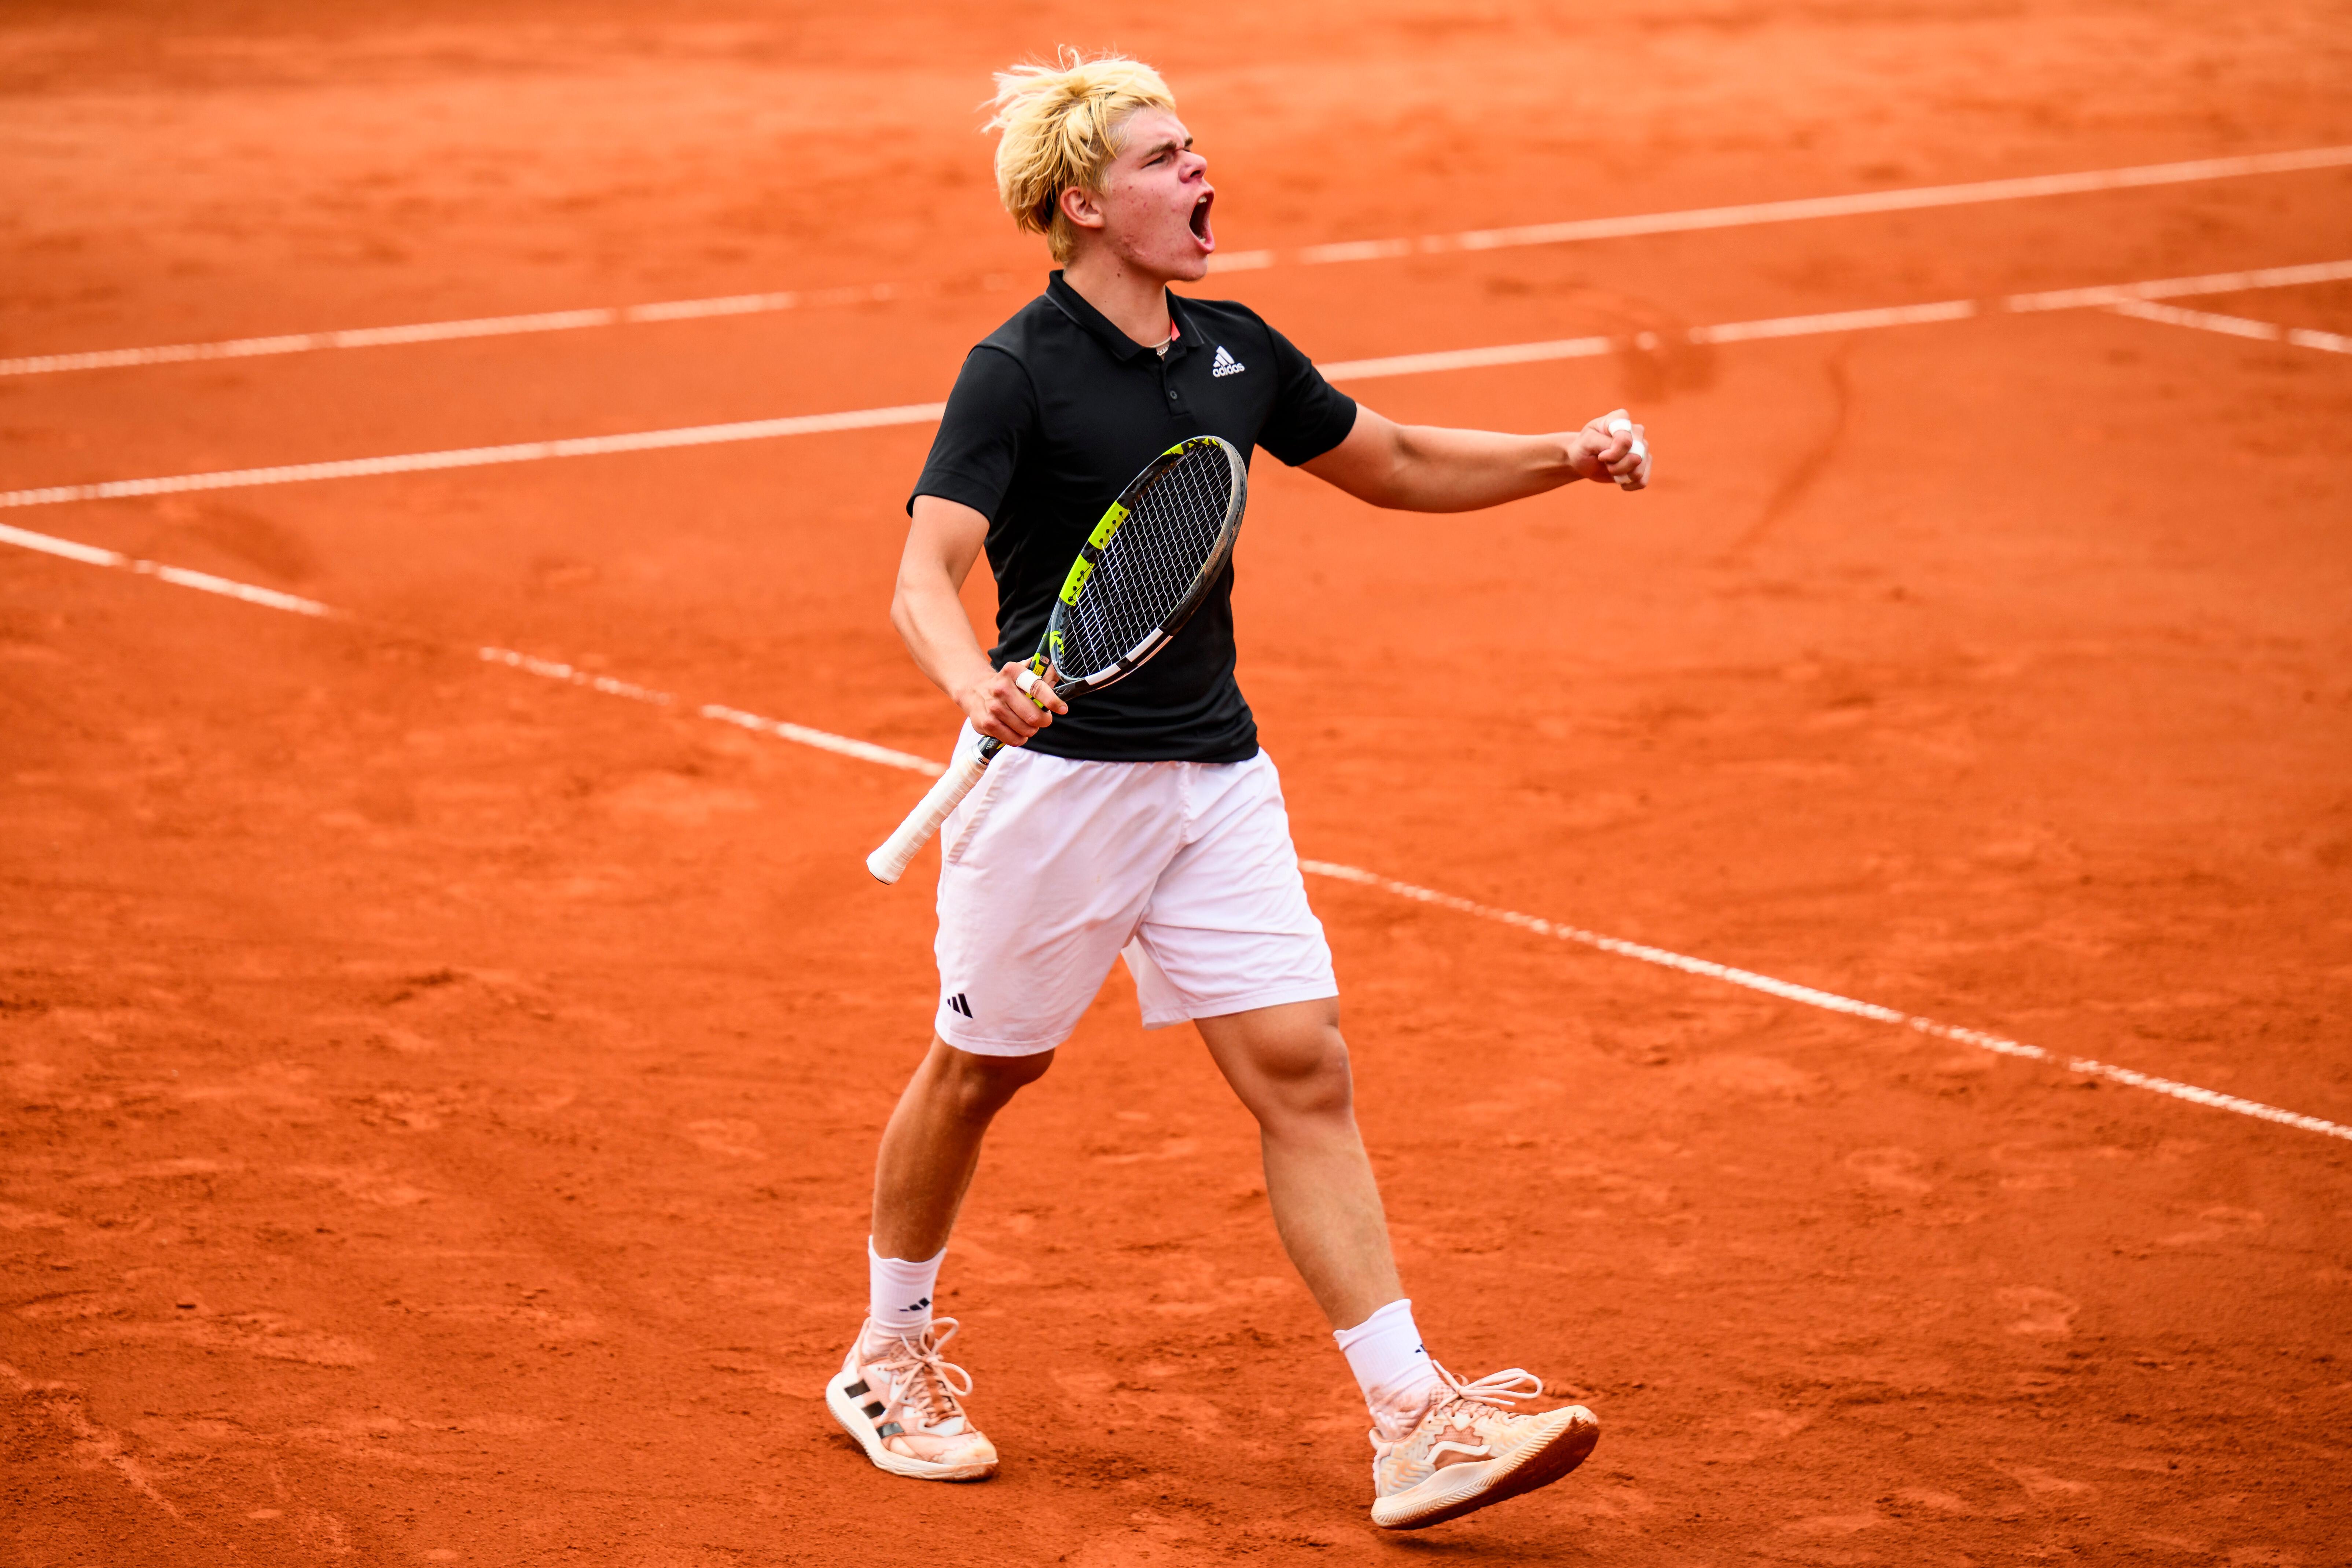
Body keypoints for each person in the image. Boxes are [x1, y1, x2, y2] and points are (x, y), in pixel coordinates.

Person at [825, 51, 1650, 1531]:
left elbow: (1389, 461)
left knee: (1300, 1064)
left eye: (1194, 146)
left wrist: (1564, 454)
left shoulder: (1236, 350)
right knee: (984, 1070)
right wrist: (975, 684)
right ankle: (888, 1352)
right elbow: (920, 574)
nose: (1199, 171)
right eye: (1164, 156)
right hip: (1057, 793)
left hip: (1213, 775)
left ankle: (1411, 1415)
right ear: (1083, 202)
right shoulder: (1016, 369)